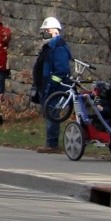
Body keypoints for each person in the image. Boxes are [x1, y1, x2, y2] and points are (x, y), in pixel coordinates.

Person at [34, 17, 72, 154]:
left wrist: (52, 83)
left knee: (52, 114)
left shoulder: (59, 48)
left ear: (55, 32)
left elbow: (62, 70)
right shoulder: (49, 47)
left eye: (46, 31)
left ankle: (52, 144)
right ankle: (50, 142)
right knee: (48, 113)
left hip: (54, 88)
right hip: (46, 87)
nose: (44, 33)